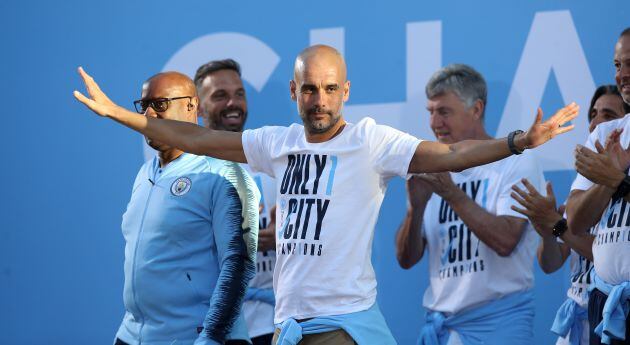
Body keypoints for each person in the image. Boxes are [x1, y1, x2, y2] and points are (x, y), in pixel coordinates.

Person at [74, 45, 578, 345]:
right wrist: (122, 114)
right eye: (310, 89)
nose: (320, 100)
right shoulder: (277, 143)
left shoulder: (371, 141)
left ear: (346, 91)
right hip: (290, 325)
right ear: (294, 93)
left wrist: (519, 142)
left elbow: (450, 156)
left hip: (340, 325)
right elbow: (200, 138)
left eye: (330, 89)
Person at [395, 64, 544, 345]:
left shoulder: (516, 161)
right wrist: (414, 212)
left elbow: (506, 240)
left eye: (444, 112)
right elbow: (406, 259)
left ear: (476, 109)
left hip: (500, 326)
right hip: (440, 326)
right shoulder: (432, 168)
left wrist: (452, 194)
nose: (434, 123)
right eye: (431, 112)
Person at [109, 71, 259, 345]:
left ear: (192, 106)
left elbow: (239, 264)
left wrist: (212, 337)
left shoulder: (223, 173)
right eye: (144, 106)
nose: (150, 115)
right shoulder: (144, 173)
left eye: (161, 104)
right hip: (133, 335)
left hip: (197, 337)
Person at [510, 85, 628, 345]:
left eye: (608, 116)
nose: (597, 122)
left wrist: (559, 227)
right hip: (575, 320)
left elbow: (602, 251)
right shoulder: (581, 190)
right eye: (593, 114)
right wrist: (548, 233)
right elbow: (550, 264)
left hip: (611, 316)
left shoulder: (620, 183)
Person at [195, 58, 277, 345]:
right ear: (198, 106)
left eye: (239, 94)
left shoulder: (273, 164)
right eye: (220, 95)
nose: (233, 103)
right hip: (214, 329)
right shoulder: (189, 175)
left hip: (274, 325)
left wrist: (286, 237)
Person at [567, 28, 630, 345]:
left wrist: (618, 181)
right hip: (605, 306)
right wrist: (607, 184)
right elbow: (576, 220)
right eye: (618, 65)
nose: (623, 75)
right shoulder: (605, 136)